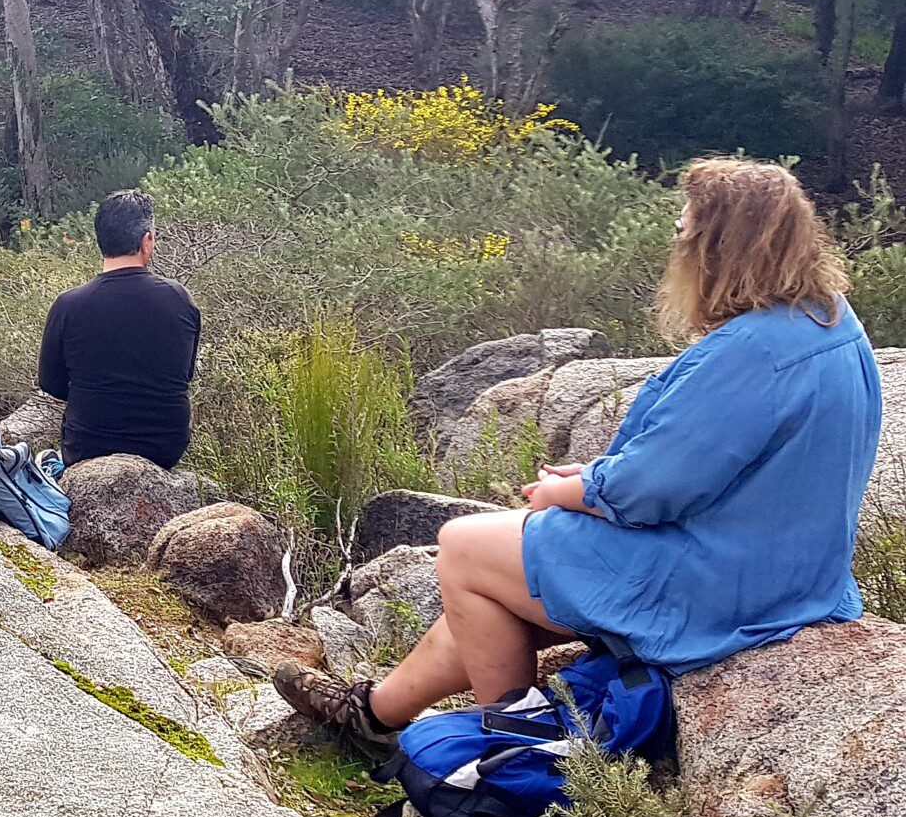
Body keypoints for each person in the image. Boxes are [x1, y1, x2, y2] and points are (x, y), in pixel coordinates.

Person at [275, 158, 883, 749]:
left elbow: (652, 490)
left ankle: (513, 749)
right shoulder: (828, 320)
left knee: (464, 547)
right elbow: (724, 467)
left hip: (725, 586)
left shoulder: (750, 353)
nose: (676, 232)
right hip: (791, 568)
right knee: (493, 595)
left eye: (688, 222)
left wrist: (570, 491)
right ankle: (375, 714)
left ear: (722, 245)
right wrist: (595, 481)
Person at [35, 188, 201, 469]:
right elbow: (184, 375)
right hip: (165, 447)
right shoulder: (179, 299)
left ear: (100, 241)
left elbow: (51, 383)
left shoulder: (68, 305)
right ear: (146, 241)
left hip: (88, 445)